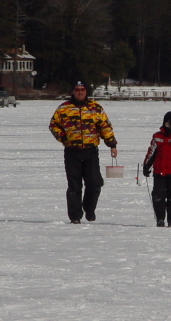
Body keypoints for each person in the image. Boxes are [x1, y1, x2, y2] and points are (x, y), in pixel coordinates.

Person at [49, 80, 118, 224]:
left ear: (86, 91)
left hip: (90, 152)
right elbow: (53, 125)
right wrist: (63, 137)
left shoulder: (95, 108)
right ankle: (75, 216)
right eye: (77, 89)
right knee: (74, 186)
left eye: (82, 89)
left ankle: (89, 208)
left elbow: (105, 126)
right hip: (72, 152)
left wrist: (111, 144)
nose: (80, 92)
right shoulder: (64, 109)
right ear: (73, 91)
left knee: (95, 183)